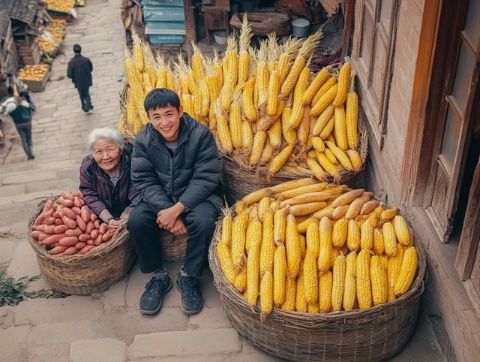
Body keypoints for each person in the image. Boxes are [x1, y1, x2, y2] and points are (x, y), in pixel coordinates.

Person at [128, 88, 223, 316]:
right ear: (149, 118)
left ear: (180, 111)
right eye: (157, 117)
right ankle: (158, 276)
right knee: (137, 221)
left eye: (169, 114)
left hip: (197, 195)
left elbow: (207, 176)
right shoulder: (143, 140)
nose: (165, 122)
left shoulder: (200, 134)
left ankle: (189, 276)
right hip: (160, 196)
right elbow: (144, 179)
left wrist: (179, 208)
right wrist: (166, 210)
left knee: (204, 220)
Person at [80, 127, 139, 230]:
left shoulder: (134, 162)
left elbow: (139, 192)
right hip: (104, 213)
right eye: (99, 152)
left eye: (110, 149)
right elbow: (88, 193)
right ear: (92, 154)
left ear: (120, 150)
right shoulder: (88, 168)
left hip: (134, 211)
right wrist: (107, 218)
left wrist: (126, 216)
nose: (106, 156)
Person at [0, 91, 36, 160]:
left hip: (18, 124)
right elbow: (33, 108)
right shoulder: (26, 103)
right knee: (29, 138)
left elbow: (9, 113)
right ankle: (31, 152)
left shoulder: (13, 105)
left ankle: (28, 155)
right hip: (27, 122)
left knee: (23, 139)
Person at [67, 44, 94, 112]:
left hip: (78, 82)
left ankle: (84, 106)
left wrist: (74, 76)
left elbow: (69, 74)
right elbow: (91, 68)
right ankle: (89, 106)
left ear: (74, 51)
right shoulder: (86, 60)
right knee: (87, 93)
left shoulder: (71, 62)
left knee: (81, 94)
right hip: (87, 80)